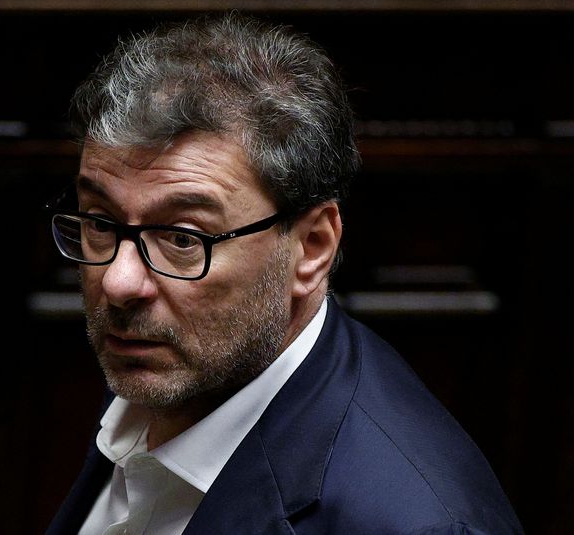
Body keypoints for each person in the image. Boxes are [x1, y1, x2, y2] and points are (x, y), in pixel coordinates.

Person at [45, 13, 523, 535]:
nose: (118, 282)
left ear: (312, 247)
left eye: (184, 238)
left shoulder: (413, 522)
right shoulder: (170, 368)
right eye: (100, 221)